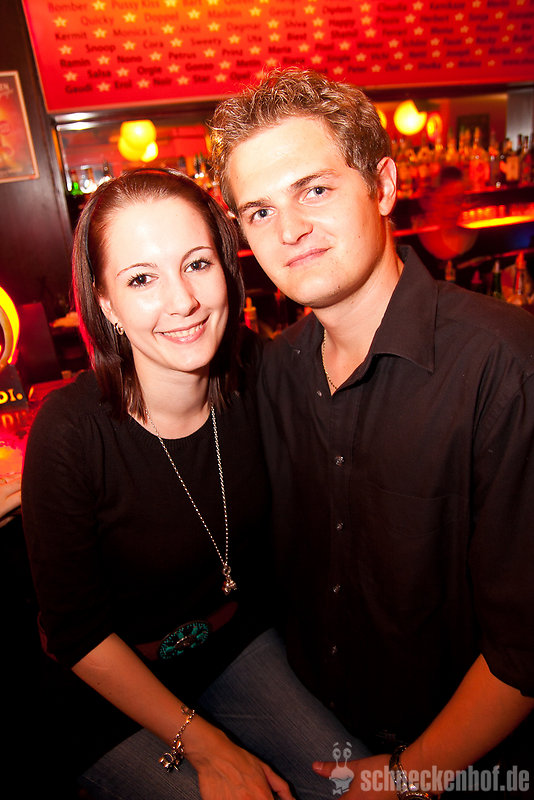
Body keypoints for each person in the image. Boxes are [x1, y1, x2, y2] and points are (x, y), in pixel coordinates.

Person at [209, 69, 534, 797]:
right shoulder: (274, 374)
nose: (288, 231)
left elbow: (525, 646)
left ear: (382, 186)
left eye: (314, 190)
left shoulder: (505, 367)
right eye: (259, 211)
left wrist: (408, 777)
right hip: (306, 730)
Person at [21, 168, 369, 800]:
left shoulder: (256, 373)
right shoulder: (69, 434)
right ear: (105, 303)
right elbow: (77, 635)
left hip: (232, 645)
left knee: (352, 785)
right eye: (141, 279)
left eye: (197, 264)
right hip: (108, 689)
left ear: (227, 272)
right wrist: (209, 747)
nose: (181, 301)